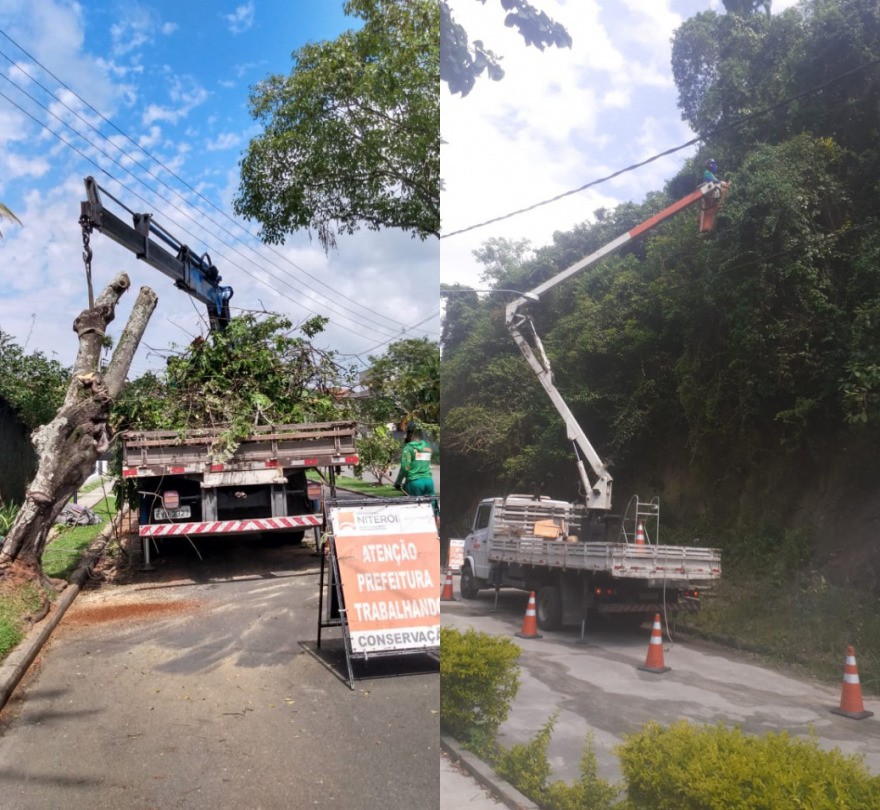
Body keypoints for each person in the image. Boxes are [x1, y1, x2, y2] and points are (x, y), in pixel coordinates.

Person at [394, 423, 439, 524]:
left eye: (408, 432)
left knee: (416, 509)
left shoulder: (408, 448)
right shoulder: (427, 447)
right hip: (428, 481)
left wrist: (398, 483)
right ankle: (436, 528)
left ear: (411, 433)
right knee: (432, 507)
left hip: (414, 483)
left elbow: (405, 468)